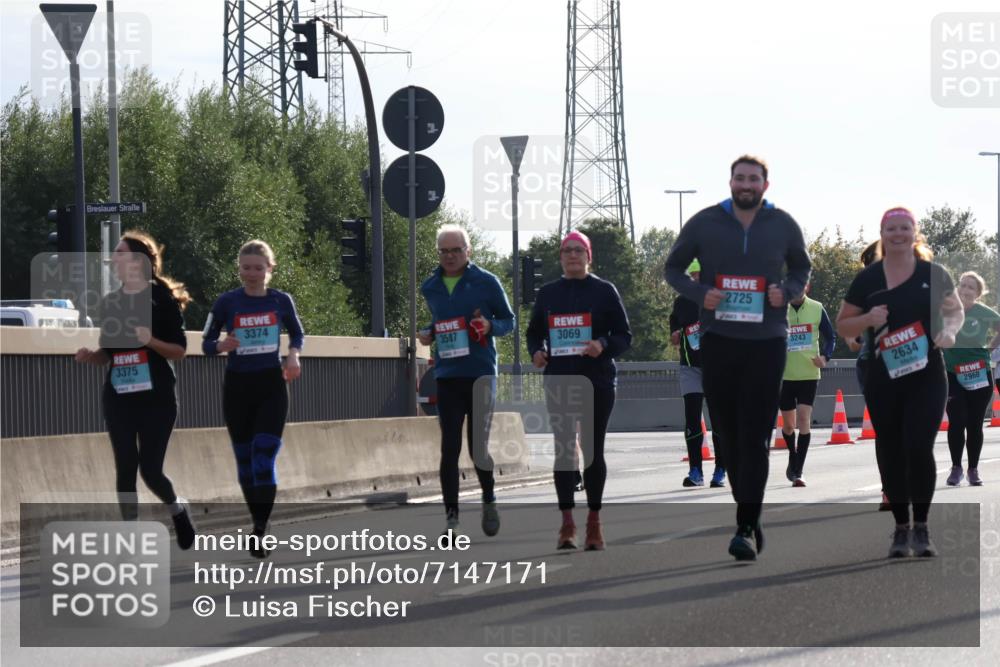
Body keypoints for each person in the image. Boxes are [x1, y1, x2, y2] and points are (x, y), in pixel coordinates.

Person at [665, 155, 811, 561]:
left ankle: (746, 524)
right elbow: (673, 269)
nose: (746, 184)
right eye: (740, 178)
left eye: (754, 178)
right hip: (720, 339)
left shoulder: (782, 224)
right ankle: (748, 511)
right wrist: (700, 294)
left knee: (756, 436)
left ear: (766, 184)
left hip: (767, 341)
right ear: (730, 181)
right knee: (728, 439)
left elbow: (802, 267)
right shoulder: (705, 222)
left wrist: (789, 290)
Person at [837, 207, 963, 558]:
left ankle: (921, 528)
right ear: (882, 232)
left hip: (927, 375)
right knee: (891, 449)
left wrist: (949, 332)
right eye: (891, 228)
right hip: (884, 377)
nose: (898, 233)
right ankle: (900, 528)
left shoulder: (933, 273)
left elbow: (954, 310)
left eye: (904, 228)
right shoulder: (868, 279)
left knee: (919, 447)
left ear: (915, 233)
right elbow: (843, 325)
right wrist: (867, 318)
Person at [75, 231, 196, 549]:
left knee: (151, 470)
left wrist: (150, 340)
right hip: (120, 397)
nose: (114, 259)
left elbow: (179, 350)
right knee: (126, 466)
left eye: (120, 253)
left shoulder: (161, 298)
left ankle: (178, 510)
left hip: (157, 398)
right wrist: (93, 356)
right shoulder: (112, 301)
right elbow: (109, 353)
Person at [527, 231, 632, 550]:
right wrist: (537, 351)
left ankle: (594, 522)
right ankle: (567, 524)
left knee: (592, 449)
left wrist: (602, 344)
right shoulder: (548, 294)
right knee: (563, 450)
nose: (572, 255)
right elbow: (534, 333)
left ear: (589, 256)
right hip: (560, 380)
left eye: (578, 250)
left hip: (596, 381)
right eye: (567, 251)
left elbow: (624, 336)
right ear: (560, 258)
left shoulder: (604, 291)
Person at [203, 240, 304, 559]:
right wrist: (220, 346)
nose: (251, 274)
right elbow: (206, 340)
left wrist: (292, 356)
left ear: (269, 269)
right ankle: (258, 520)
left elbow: (298, 334)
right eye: (245, 268)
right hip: (237, 386)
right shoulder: (226, 302)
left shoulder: (281, 301)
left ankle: (260, 528)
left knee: (263, 457)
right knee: (245, 462)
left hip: (271, 385)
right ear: (239, 269)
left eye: (258, 268)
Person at [418, 226, 514, 539]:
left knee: (478, 449)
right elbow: (441, 321)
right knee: (449, 447)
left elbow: (508, 321)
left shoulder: (486, 282)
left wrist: (489, 325)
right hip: (447, 374)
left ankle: (488, 499)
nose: (449, 256)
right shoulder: (430, 286)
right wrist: (428, 333)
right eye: (444, 251)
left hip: (481, 373)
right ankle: (452, 521)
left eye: (455, 250)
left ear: (467, 251)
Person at [669, 259, 726, 488]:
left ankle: (721, 469)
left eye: (701, 275)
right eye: (693, 276)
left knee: (718, 420)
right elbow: (674, 324)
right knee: (692, 418)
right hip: (690, 366)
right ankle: (695, 471)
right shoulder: (682, 301)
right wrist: (674, 333)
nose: (697, 279)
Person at [846, 240, 891, 510]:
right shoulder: (863, 291)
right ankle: (889, 490)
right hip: (873, 366)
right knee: (886, 432)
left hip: (913, 368)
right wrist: (858, 340)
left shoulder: (916, 285)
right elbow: (851, 338)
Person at [944, 271, 1000, 487]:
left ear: (978, 293)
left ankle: (973, 469)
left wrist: (991, 347)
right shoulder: (946, 310)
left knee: (975, 424)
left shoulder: (984, 312)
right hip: (952, 373)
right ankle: (956, 468)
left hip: (979, 371)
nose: (965, 290)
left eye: (971, 288)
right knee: (956, 421)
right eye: (963, 285)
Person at [779, 284, 835, 487]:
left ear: (807, 287)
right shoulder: (778, 308)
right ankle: (793, 457)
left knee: (803, 419)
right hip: (784, 375)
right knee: (787, 425)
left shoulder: (817, 308)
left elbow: (831, 337)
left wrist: (825, 357)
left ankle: (799, 471)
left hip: (809, 374)